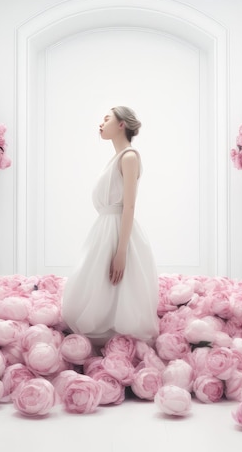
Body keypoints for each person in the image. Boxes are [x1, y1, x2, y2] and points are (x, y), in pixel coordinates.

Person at [61, 106, 159, 344]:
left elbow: (129, 206)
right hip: (105, 229)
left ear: (121, 124)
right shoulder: (116, 159)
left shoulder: (129, 157)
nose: (101, 124)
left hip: (118, 229)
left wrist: (121, 251)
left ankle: (113, 334)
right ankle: (101, 331)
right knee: (96, 284)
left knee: (118, 284)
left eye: (107, 119)